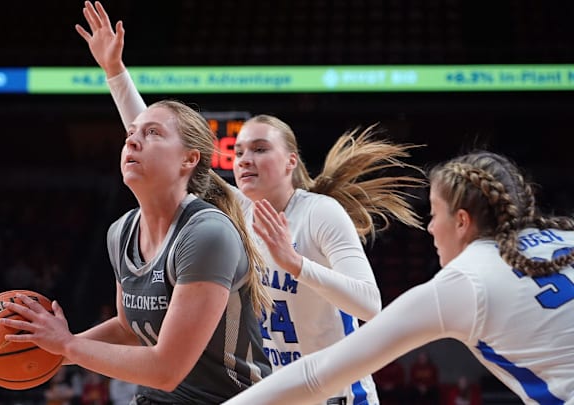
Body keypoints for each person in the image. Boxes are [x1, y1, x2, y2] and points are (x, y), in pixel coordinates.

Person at [74, 2, 424, 403]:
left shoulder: (319, 213)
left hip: (339, 397)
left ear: (291, 161)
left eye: (259, 149)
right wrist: (115, 72)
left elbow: (370, 304)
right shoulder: (233, 212)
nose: (244, 159)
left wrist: (296, 264)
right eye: (238, 151)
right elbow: (163, 151)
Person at [222, 150, 574, 404]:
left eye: (434, 214)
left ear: (462, 221)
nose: (431, 227)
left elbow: (319, 375)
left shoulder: (465, 281)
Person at [1, 99, 273, 404]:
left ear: (189, 159)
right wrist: (51, 351)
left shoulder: (207, 233)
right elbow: (129, 330)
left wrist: (68, 346)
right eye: (131, 133)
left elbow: (167, 369)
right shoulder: (121, 231)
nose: (132, 140)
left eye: (153, 132)